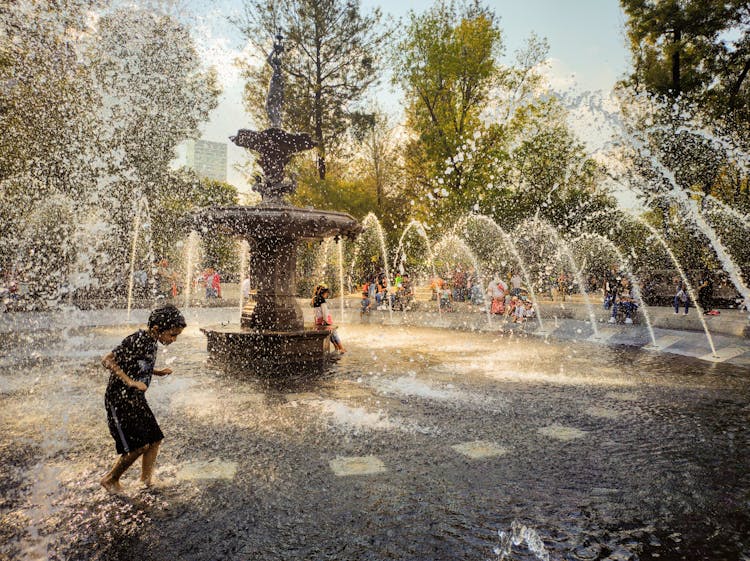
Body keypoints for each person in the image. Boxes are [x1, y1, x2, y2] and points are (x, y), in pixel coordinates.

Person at [100, 305, 186, 494]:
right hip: (119, 398)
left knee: (155, 439)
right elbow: (107, 360)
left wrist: (157, 371)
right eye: (172, 335)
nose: (173, 339)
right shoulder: (137, 339)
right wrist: (129, 381)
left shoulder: (151, 341)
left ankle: (146, 481)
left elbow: (138, 363)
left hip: (135, 398)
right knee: (138, 446)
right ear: (156, 329)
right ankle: (110, 479)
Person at [312, 285, 345, 353]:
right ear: (324, 293)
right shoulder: (322, 299)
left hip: (319, 320)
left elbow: (315, 312)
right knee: (334, 332)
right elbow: (324, 311)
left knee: (329, 334)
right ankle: (341, 348)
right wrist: (326, 320)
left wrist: (316, 321)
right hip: (324, 320)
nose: (327, 295)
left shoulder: (314, 298)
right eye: (327, 293)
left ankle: (336, 346)